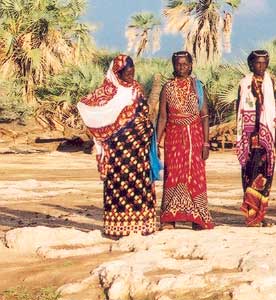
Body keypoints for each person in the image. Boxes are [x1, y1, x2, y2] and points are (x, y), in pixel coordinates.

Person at [77, 54, 159, 237]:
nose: (131, 76)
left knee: (140, 186)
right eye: (127, 73)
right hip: (118, 152)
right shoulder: (107, 92)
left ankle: (142, 225)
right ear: (117, 72)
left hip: (138, 151)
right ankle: (117, 227)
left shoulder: (136, 89)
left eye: (133, 72)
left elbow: (144, 113)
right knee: (118, 187)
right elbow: (88, 108)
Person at [157, 51, 215, 230]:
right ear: (173, 66)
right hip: (174, 138)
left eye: (185, 64)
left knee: (195, 176)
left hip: (195, 138)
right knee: (172, 175)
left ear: (191, 65)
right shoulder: (167, 88)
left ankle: (197, 218)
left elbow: (204, 115)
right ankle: (169, 218)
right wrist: (155, 143)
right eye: (178, 64)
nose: (182, 67)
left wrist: (206, 143)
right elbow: (162, 117)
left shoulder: (198, 86)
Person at [236, 50, 276, 227]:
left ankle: (261, 215)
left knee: (265, 175)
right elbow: (238, 109)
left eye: (263, 63)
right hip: (249, 138)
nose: (260, 66)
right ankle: (251, 216)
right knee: (249, 175)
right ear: (251, 64)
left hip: (267, 137)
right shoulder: (244, 83)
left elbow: (273, 108)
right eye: (257, 63)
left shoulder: (271, 82)